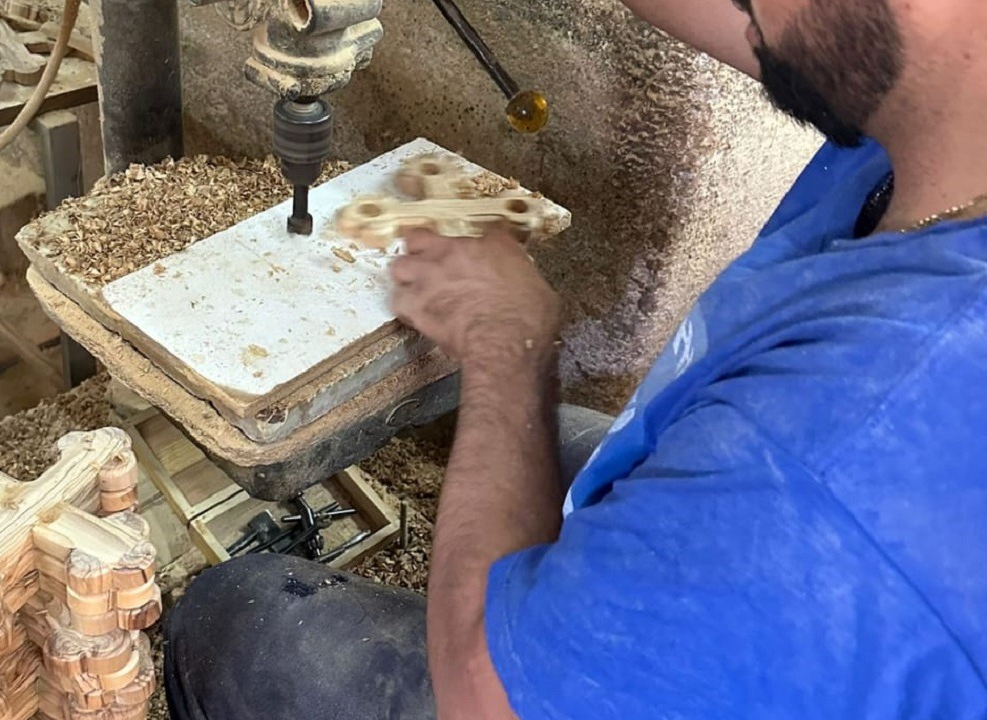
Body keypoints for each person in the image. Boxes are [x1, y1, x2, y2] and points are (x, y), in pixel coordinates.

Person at [163, 0, 987, 717]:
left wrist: (508, 342)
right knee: (559, 437)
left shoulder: (842, 450)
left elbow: (484, 701)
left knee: (235, 615)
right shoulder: (943, 100)